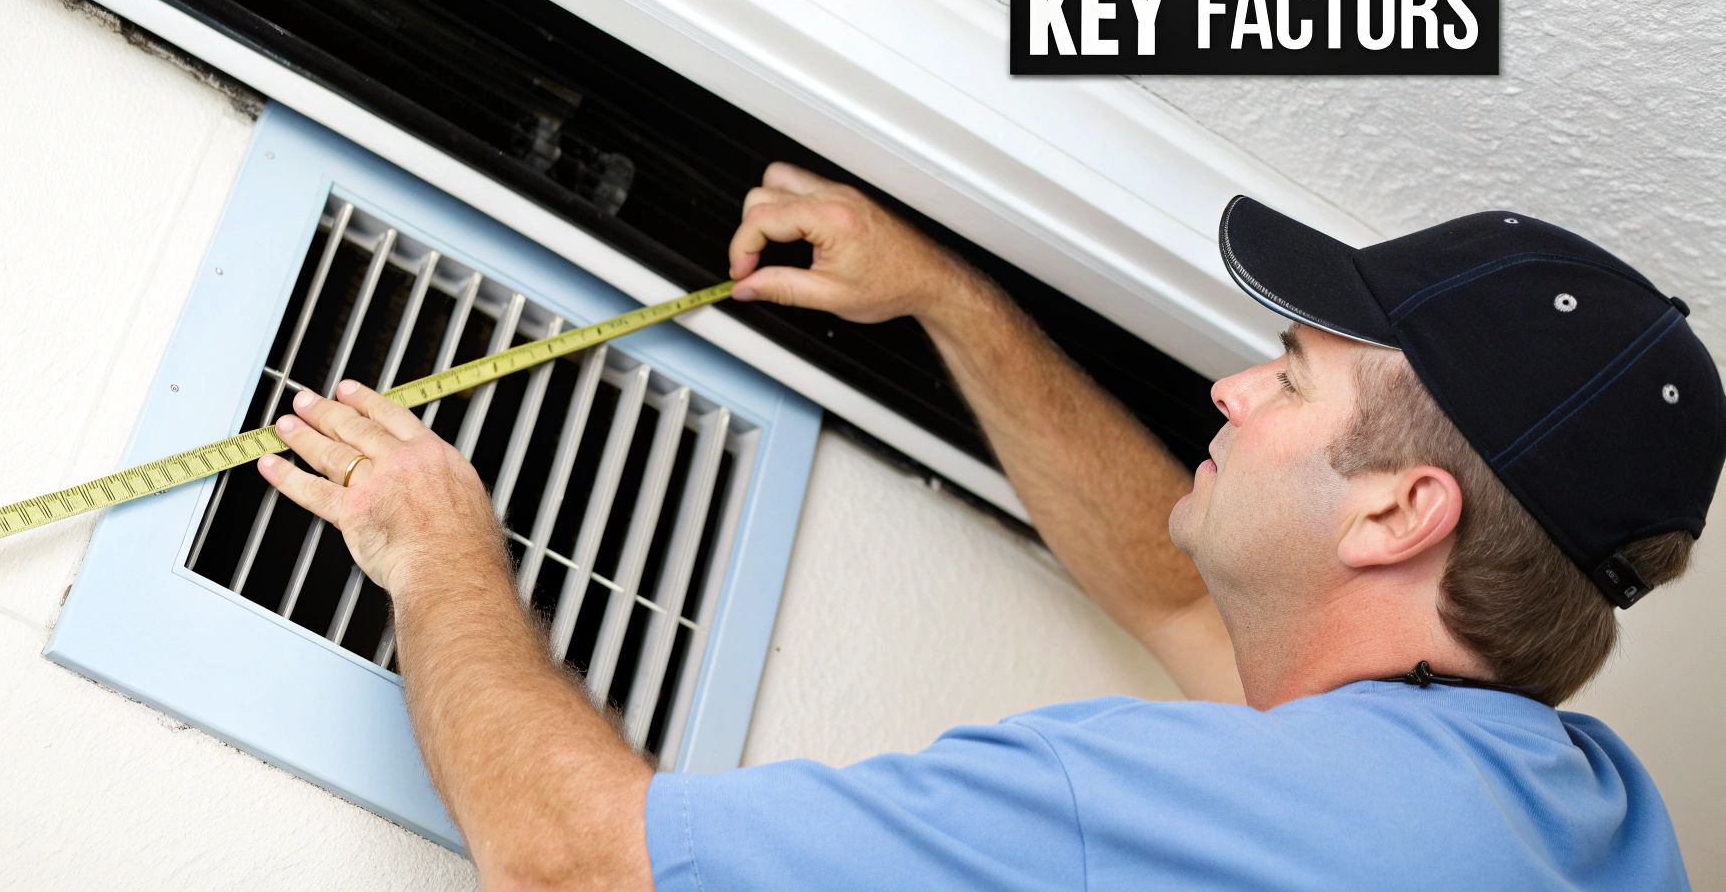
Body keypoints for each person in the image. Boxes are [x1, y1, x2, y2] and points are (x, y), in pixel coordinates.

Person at [255, 162, 1721, 890]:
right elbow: (1182, 602)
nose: (1227, 385)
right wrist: (944, 299)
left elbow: (577, 859)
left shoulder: (1181, 810)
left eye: (1289, 379)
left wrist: (443, 554)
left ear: (1404, 509)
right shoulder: (1565, 808)